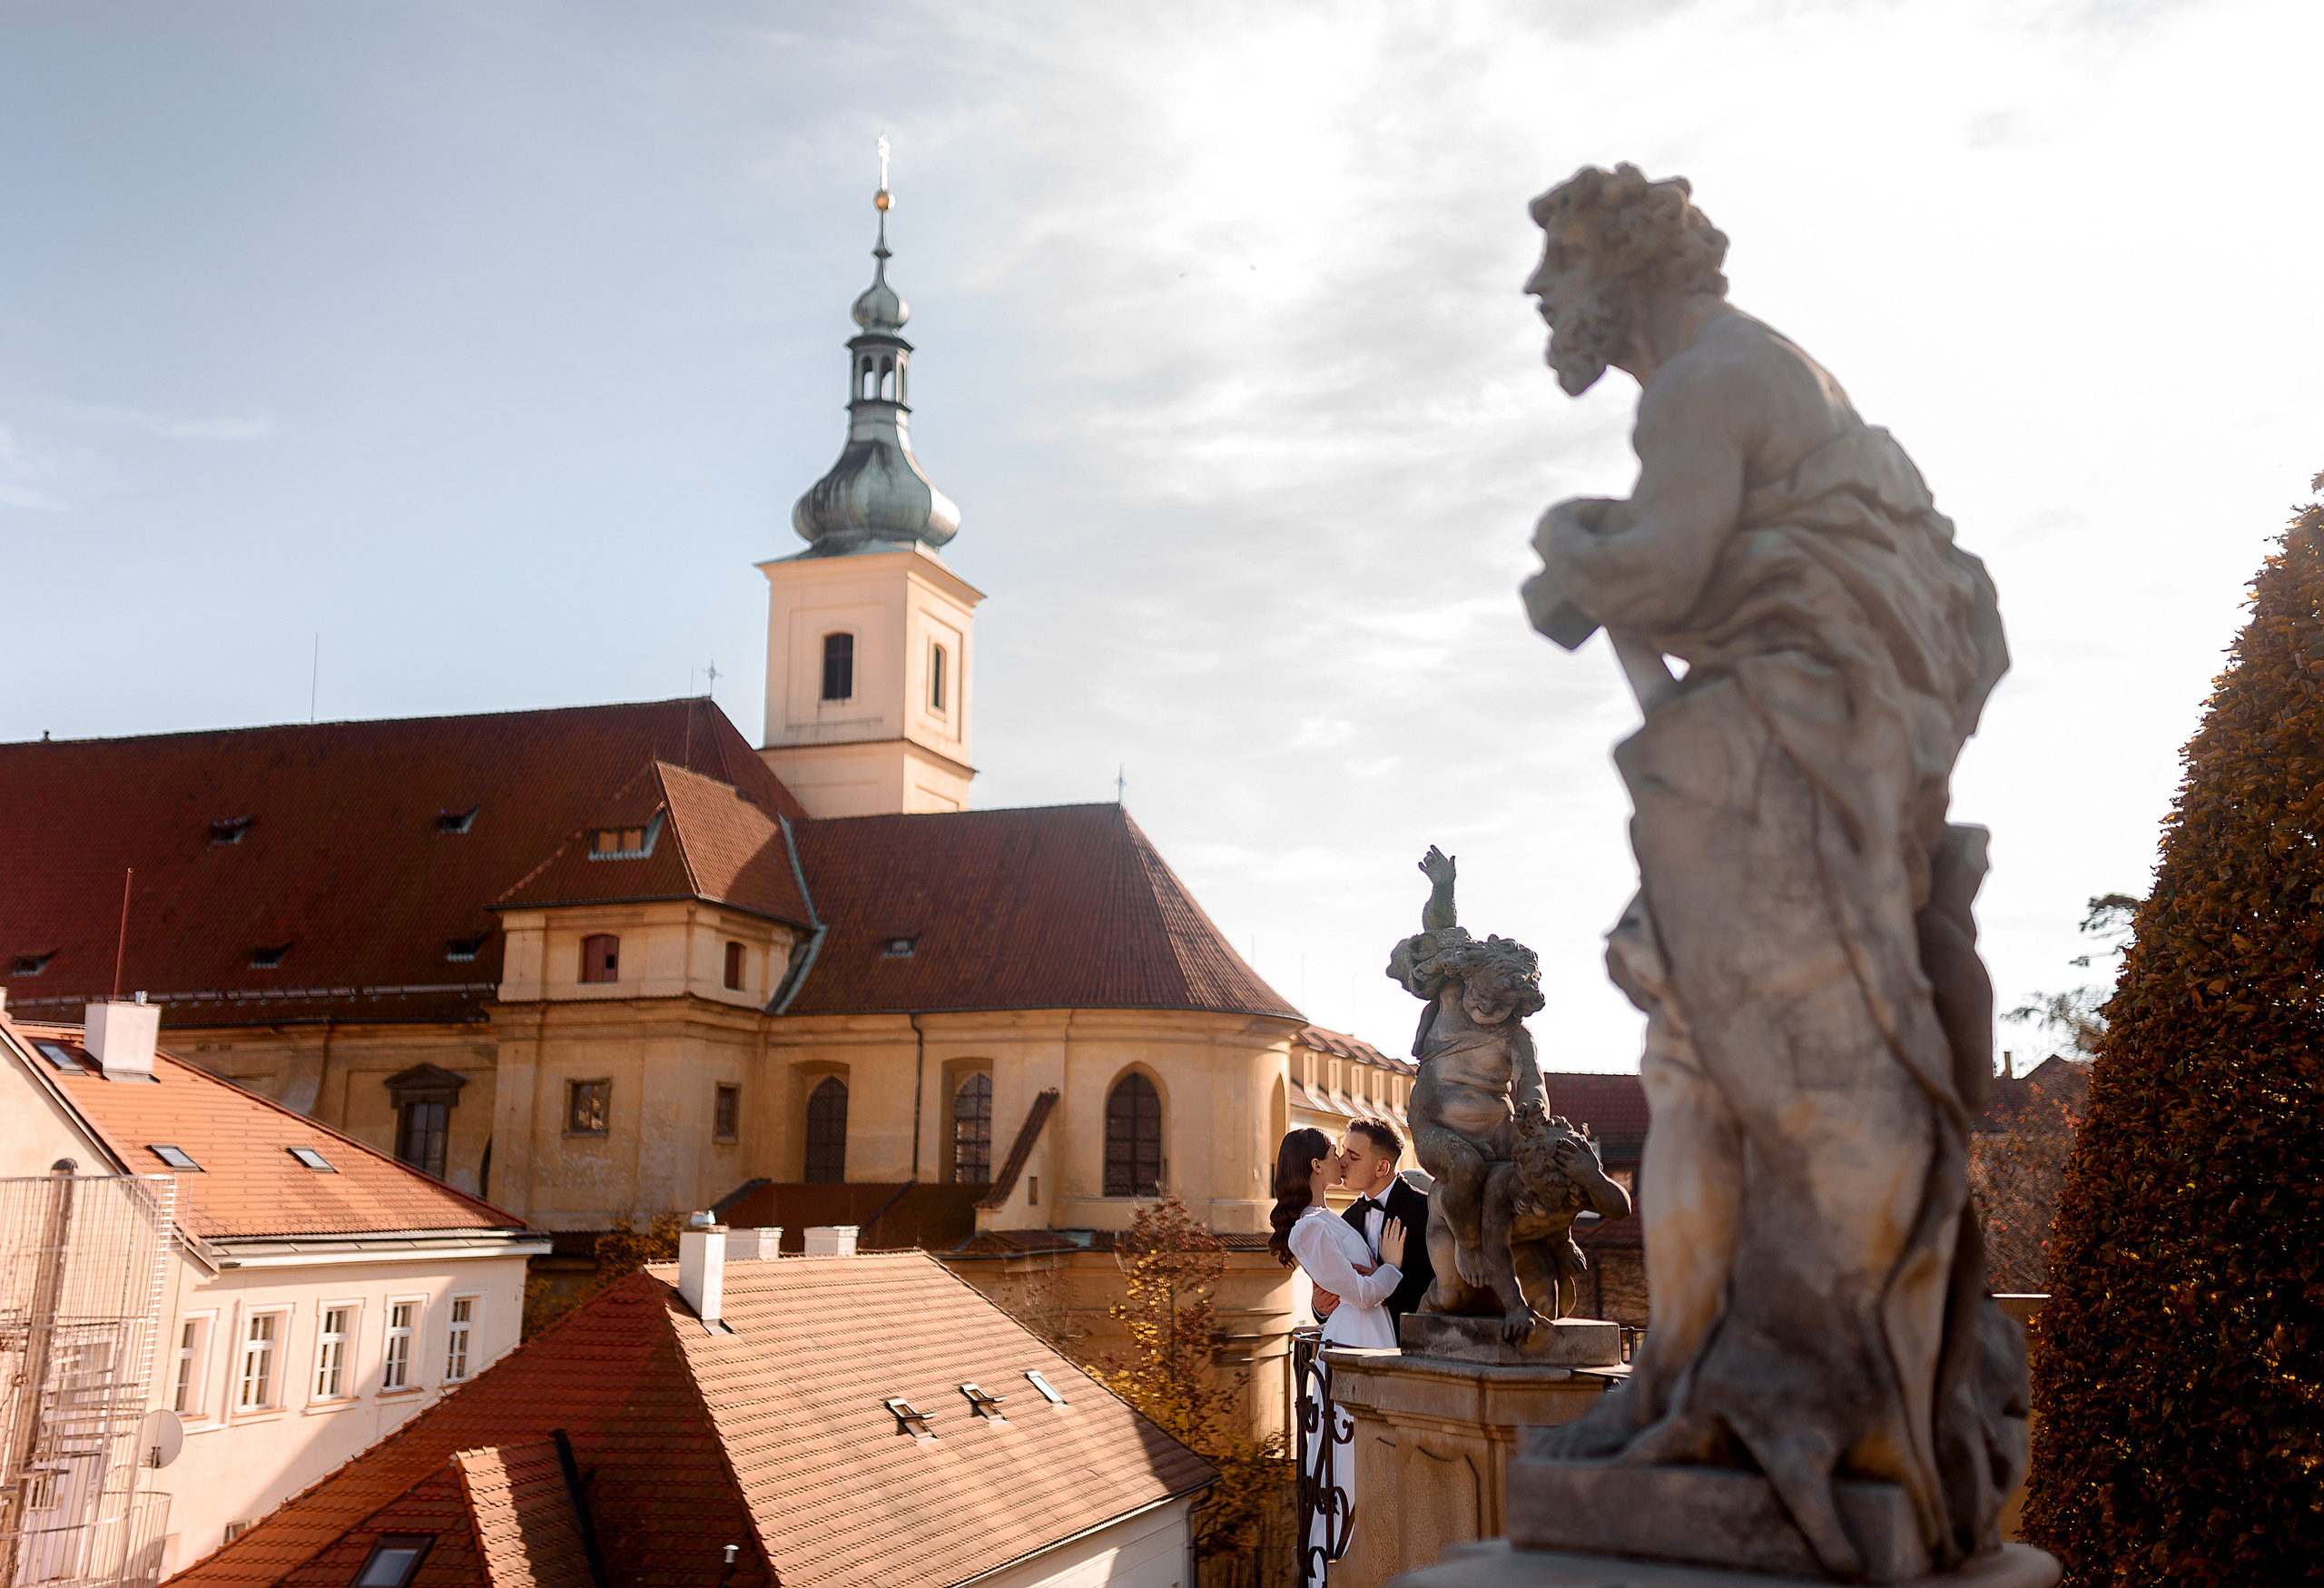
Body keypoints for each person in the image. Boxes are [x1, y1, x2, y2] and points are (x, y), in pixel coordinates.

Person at [1518, 164, 2021, 1574]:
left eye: (1557, 267)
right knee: (1763, 1070)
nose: (1539, 297)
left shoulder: (1695, 383)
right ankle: (1752, 1379)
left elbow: (1669, 570)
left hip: (1781, 758)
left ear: (1624, 266)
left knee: (1707, 1065)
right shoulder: (1791, 376)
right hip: (1833, 752)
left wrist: (1573, 542)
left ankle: (1707, 1392)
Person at [1270, 1127, 1406, 1579]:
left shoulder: (1330, 1219)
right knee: (1347, 1461)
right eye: (1335, 1153)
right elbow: (1362, 1293)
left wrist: (1356, 1282)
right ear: (1315, 1166)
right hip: (1355, 1339)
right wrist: (1389, 1268)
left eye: (1348, 1154)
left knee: (1373, 1455)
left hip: (1372, 1333)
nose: (1341, 1160)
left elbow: (1342, 1289)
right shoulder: (1310, 1228)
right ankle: (1339, 1564)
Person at [1312, 1120, 1433, 1336]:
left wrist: (1383, 1282)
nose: (1342, 1162)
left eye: (1353, 1156)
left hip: (1410, 1349)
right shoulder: (1346, 1220)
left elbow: (1440, 1287)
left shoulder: (1425, 1211)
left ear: (1382, 1167)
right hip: (1358, 1347)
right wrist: (1319, 1308)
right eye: (1343, 1152)